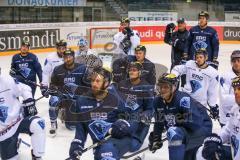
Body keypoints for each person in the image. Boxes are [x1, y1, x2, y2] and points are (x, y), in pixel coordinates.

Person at [69, 67, 153, 160]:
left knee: (107, 153)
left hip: (120, 139)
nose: (93, 84)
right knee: (102, 154)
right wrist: (77, 145)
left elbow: (136, 113)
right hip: (99, 144)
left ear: (106, 83)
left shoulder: (120, 97)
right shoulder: (82, 101)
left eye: (97, 81)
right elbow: (81, 129)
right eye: (92, 80)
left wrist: (126, 124)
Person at [148, 73, 212, 160]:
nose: (162, 90)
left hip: (202, 128)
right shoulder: (157, 101)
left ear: (174, 87)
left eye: (166, 87)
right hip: (184, 131)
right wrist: (156, 137)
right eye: (160, 86)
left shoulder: (183, 99)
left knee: (173, 132)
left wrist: (176, 122)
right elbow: (159, 121)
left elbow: (195, 123)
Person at [0, 69, 45, 160]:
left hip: (18, 120)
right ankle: (14, 143)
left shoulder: (7, 80)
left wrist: (29, 101)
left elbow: (25, 88)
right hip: (3, 132)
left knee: (38, 123)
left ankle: (37, 156)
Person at [196, 76, 240, 160]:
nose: (236, 92)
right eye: (235, 89)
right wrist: (216, 139)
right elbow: (228, 130)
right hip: (235, 152)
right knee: (202, 152)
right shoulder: (235, 108)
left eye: (239, 89)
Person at [48, 49, 88, 136]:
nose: (68, 59)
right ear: (63, 58)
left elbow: (88, 85)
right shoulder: (57, 69)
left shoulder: (82, 68)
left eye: (70, 57)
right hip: (63, 95)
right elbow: (53, 84)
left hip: (77, 96)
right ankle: (53, 124)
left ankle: (78, 116)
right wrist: (51, 90)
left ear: (73, 57)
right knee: (53, 100)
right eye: (66, 57)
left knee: (71, 127)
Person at [171, 49, 219, 120]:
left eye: (201, 57)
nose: (198, 59)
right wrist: (173, 76)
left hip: (200, 103)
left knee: (197, 123)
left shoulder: (213, 73)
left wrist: (213, 105)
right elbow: (177, 69)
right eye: (197, 57)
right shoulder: (190, 64)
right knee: (182, 121)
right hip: (185, 98)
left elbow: (212, 91)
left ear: (205, 58)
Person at [219, 50, 240, 127]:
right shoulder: (225, 77)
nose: (236, 63)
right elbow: (224, 99)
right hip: (227, 117)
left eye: (238, 61)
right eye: (234, 61)